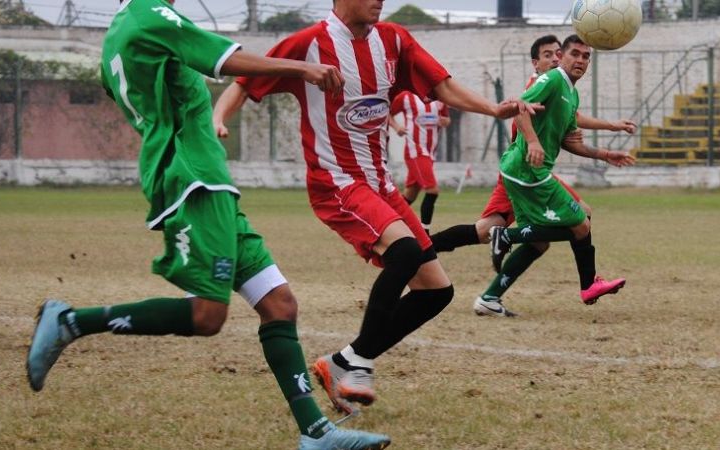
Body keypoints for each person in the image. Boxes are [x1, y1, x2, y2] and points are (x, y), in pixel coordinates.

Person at [25, 1, 391, 449]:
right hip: (194, 180)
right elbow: (224, 59)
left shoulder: (117, 35)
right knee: (207, 314)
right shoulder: (148, 14)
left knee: (279, 304)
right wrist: (303, 68)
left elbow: (140, 88)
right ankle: (71, 322)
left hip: (206, 178)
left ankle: (317, 434)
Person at [213, 0, 537, 416]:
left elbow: (441, 84)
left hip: (381, 185)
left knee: (436, 290)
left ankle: (343, 360)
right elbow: (243, 81)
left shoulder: (394, 40)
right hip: (337, 182)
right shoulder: (309, 44)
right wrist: (218, 118)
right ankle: (362, 364)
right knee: (402, 253)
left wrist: (492, 108)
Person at [430, 34, 636, 317]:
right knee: (580, 221)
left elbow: (571, 134)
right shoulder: (548, 81)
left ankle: (489, 296)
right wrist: (535, 143)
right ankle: (581, 280)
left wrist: (605, 152)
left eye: (585, 56)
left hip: (526, 170)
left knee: (536, 239)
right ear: (547, 60)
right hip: (527, 171)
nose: (578, 60)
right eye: (570, 54)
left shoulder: (568, 91)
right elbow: (518, 110)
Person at [389, 91, 451, 234]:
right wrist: (397, 127)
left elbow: (447, 119)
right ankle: (425, 233)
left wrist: (444, 121)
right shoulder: (405, 96)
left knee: (410, 195)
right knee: (432, 191)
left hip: (430, 153)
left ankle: (385, 221)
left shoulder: (440, 96)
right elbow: (386, 113)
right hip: (415, 151)